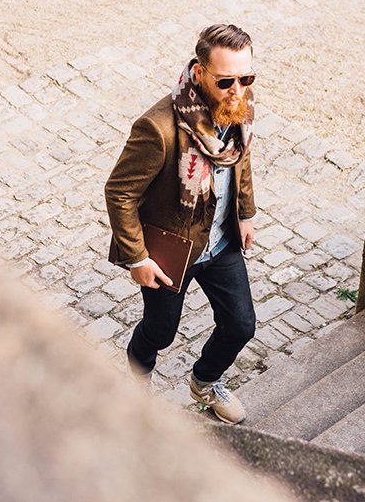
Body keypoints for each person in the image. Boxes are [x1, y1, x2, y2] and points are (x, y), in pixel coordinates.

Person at [104, 24, 258, 424]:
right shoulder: (157, 128)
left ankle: (205, 381)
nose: (238, 90)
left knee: (241, 325)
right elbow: (119, 192)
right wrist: (137, 258)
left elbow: (240, 160)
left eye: (247, 78)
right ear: (199, 72)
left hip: (220, 241)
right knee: (160, 332)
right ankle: (137, 378)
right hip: (173, 249)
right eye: (226, 81)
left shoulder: (238, 108)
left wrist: (245, 212)